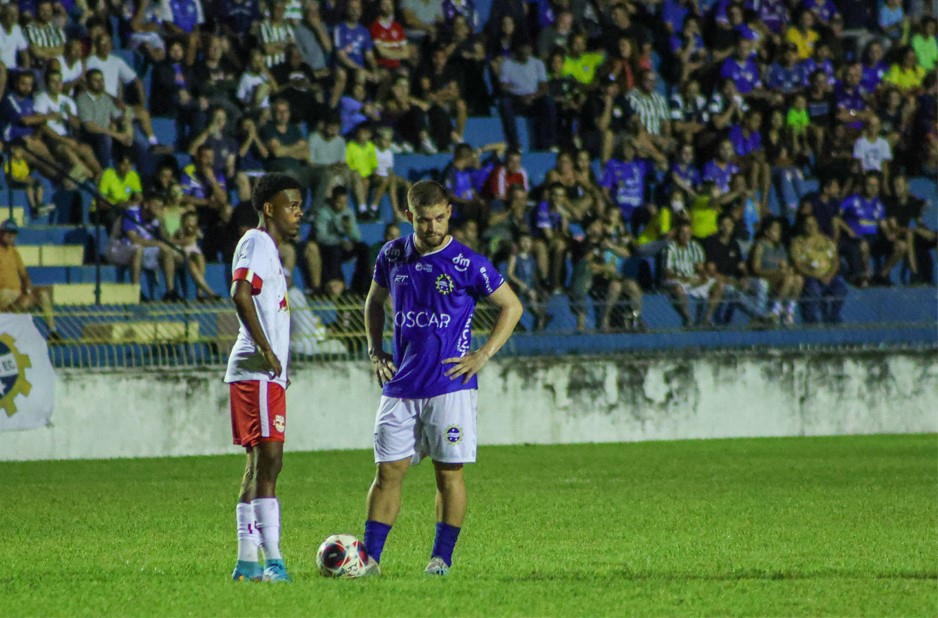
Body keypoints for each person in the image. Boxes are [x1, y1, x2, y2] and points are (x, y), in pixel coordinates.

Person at [361, 180, 523, 576]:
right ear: (407, 215)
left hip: (451, 385)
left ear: (449, 211)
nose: (432, 227)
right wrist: (376, 351)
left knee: (448, 473)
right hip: (401, 384)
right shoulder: (392, 254)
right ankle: (369, 560)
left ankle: (440, 560)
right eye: (422, 220)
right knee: (387, 471)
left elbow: (512, 306)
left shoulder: (469, 263)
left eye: (438, 218)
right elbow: (373, 302)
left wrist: (482, 355)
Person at [226, 173, 303, 583]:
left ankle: (247, 563)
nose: (299, 213)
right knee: (270, 463)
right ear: (269, 208)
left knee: (260, 465)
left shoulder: (269, 250)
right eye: (292, 205)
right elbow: (240, 292)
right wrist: (268, 351)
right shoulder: (255, 242)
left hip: (264, 376)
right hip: (256, 373)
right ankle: (273, 561)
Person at [0, 219, 58, 340]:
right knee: (24, 301)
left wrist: (28, 288)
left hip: (17, 293)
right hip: (3, 293)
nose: (11, 236)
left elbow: (24, 274)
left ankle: (53, 331)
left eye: (13, 233)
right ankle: (7, 327)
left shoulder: (13, 251)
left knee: (42, 293)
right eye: (8, 232)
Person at [790, 214, 848, 324]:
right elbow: (797, 264)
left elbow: (835, 261)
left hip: (829, 276)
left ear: (817, 225)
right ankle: (810, 318)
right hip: (810, 276)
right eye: (807, 224)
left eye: (813, 224)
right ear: (803, 226)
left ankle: (833, 316)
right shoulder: (798, 242)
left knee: (841, 287)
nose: (810, 227)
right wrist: (816, 275)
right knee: (813, 289)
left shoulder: (826, 240)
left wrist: (829, 275)